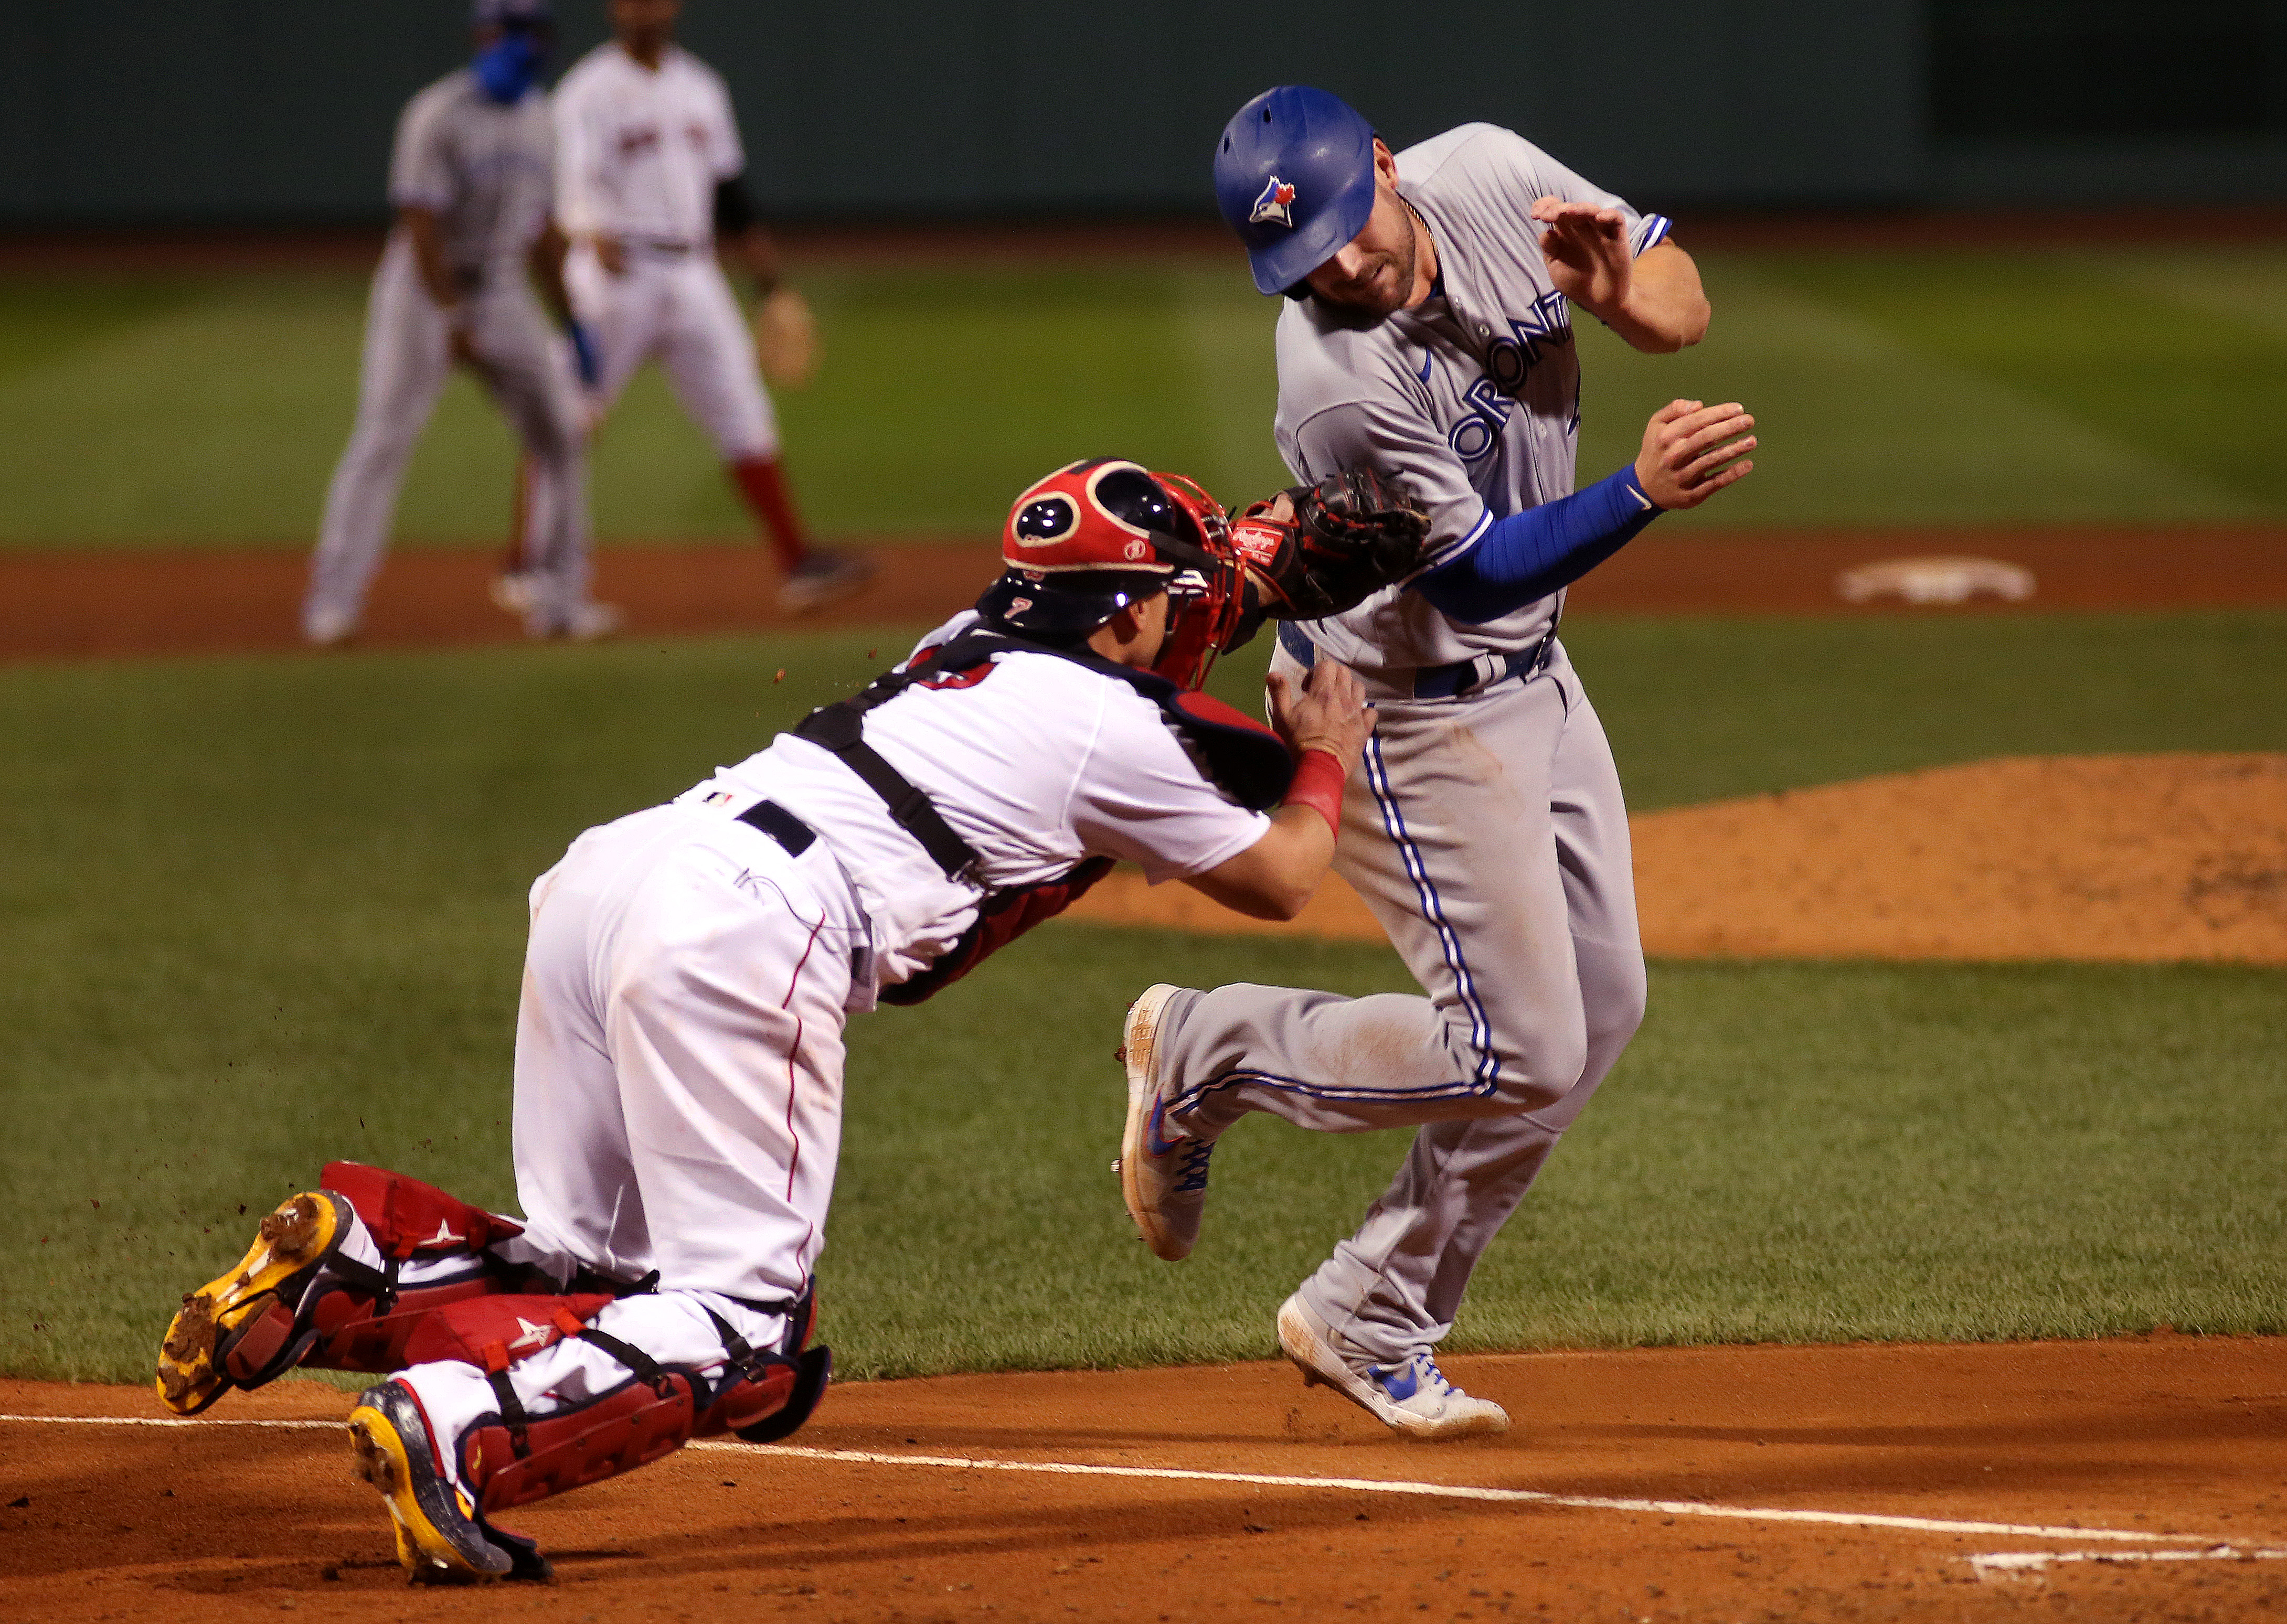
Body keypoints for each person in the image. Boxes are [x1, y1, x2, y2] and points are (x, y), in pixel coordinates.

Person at [154, 458, 1385, 1583]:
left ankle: (362, 1271)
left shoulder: (964, 642)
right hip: (742, 930)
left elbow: (1161, 662)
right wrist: (1322, 750)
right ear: (1123, 610)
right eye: (1176, 599)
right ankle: (455, 1425)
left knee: (603, 1274)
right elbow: (1279, 875)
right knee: (745, 1336)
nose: (1193, 617)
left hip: (616, 873)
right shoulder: (1111, 727)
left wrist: (1253, 567)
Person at [1113, 87, 1758, 1439]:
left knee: (1601, 1011)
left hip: (1536, 679)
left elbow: (1682, 302)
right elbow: (1470, 579)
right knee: (1517, 1043)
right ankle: (1204, 1051)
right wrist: (1636, 490)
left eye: (1349, 229)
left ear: (1389, 166)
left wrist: (1627, 296)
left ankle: (1372, 1308)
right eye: (1303, 264)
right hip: (1397, 705)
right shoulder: (1331, 384)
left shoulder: (1492, 173)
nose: (1341, 269)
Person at [303, 0, 616, 648]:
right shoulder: (436, 114)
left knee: (561, 433)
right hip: (421, 291)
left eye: (535, 33)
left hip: (501, 290)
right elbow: (420, 223)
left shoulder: (540, 120)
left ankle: (560, 602)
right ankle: (331, 603)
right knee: (384, 437)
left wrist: (573, 324)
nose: (526, 46)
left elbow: (541, 233)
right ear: (484, 36)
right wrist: (451, 316)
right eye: (514, 32)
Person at [543, 0, 868, 614]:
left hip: (693, 270)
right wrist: (589, 228)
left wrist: (770, 282)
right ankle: (530, 566)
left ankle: (798, 562)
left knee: (744, 412)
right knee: (566, 418)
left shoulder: (701, 86)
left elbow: (731, 193)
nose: (645, 10)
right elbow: (574, 185)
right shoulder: (589, 90)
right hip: (616, 272)